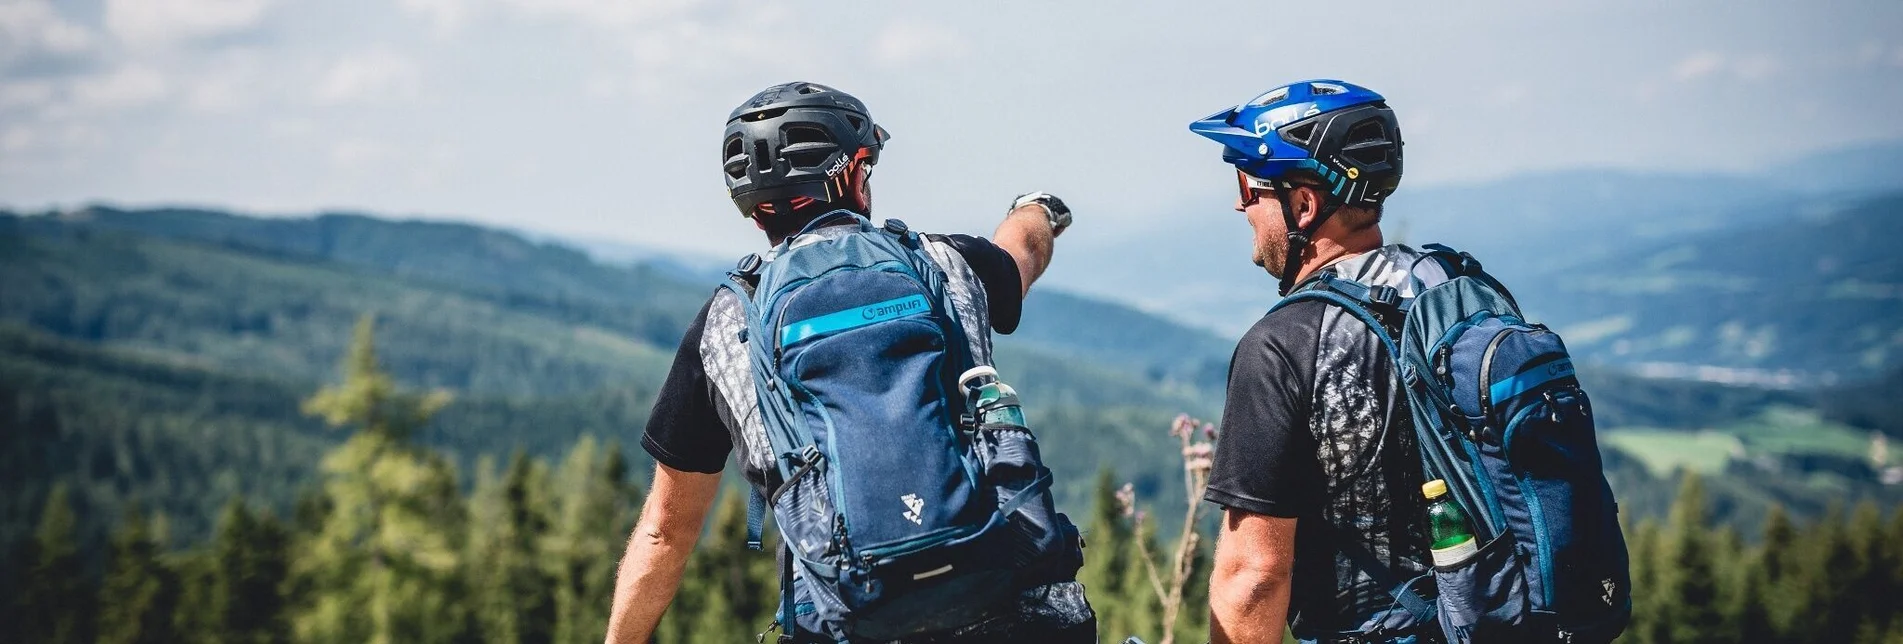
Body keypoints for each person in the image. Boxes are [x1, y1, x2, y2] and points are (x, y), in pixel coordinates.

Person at [605, 81, 1095, 644]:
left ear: (753, 205)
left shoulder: (724, 325)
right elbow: (1023, 253)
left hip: (848, 617)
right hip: (1015, 600)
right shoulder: (945, 263)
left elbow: (665, 532)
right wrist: (1037, 208)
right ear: (852, 174)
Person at [1187, 80, 1441, 644]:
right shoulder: (1449, 289)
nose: (1239, 204)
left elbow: (1254, 577)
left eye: (1248, 185)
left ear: (1303, 205)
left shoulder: (1283, 346)